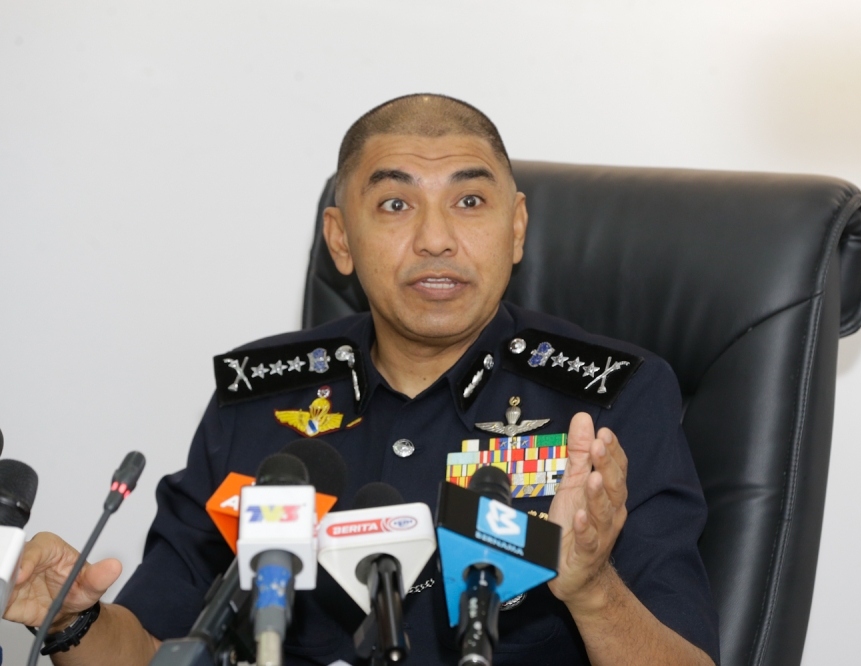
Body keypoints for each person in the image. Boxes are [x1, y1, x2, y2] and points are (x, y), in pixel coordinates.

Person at [4, 94, 719, 666]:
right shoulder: (261, 398)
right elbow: (155, 646)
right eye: (395, 204)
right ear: (340, 240)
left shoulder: (610, 401)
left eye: (470, 202)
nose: (436, 238)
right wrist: (75, 622)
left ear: (518, 228)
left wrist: (591, 590)